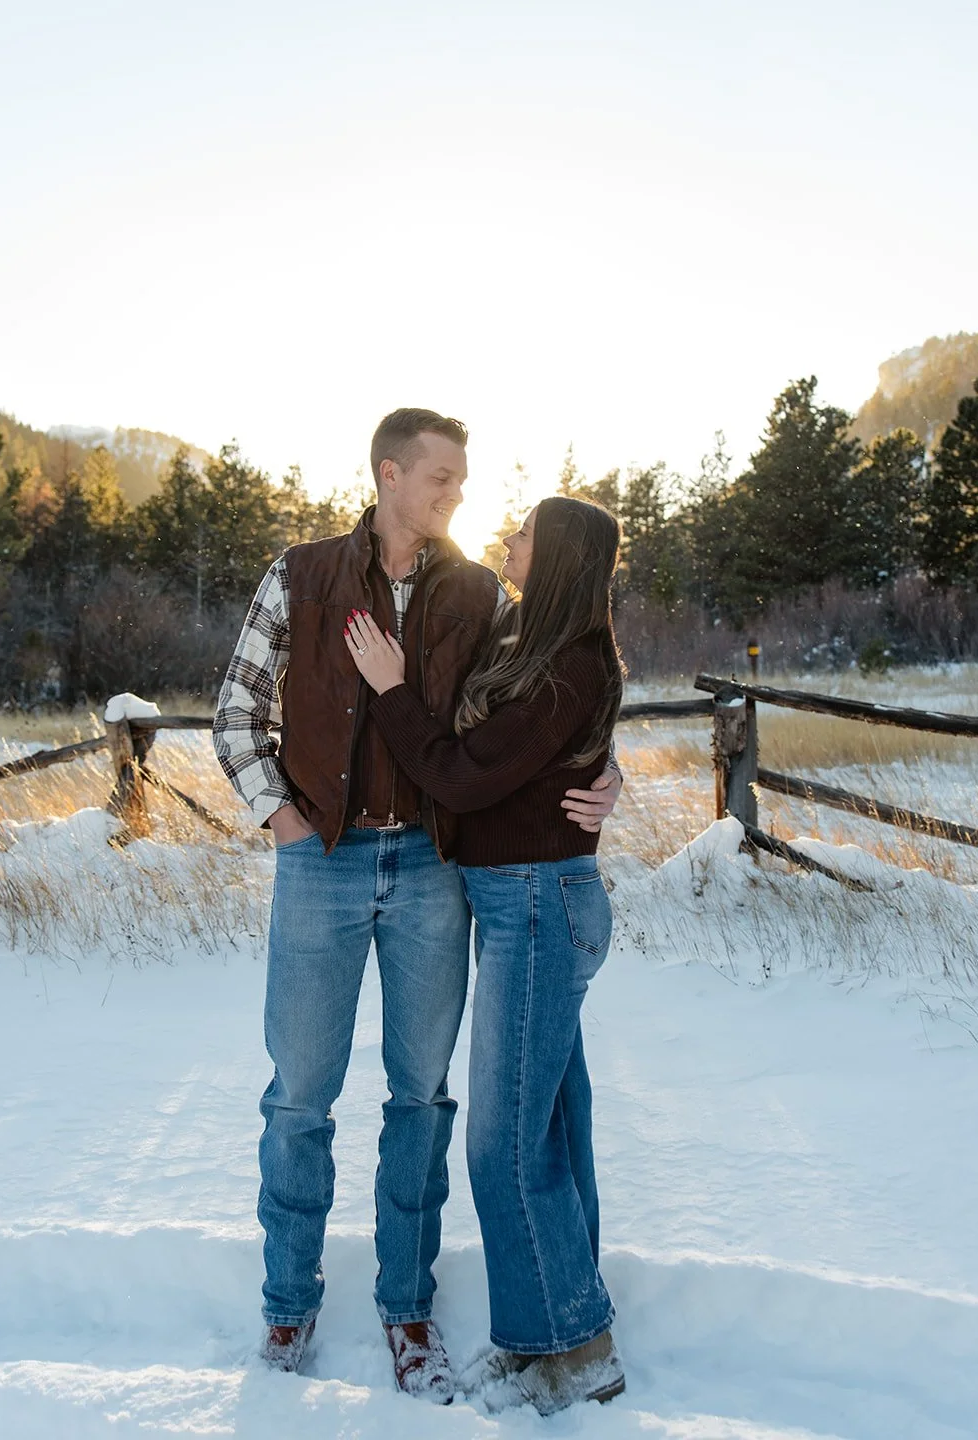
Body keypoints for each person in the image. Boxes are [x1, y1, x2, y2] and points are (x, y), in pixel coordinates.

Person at [212, 410, 623, 1401]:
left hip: (434, 871)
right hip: (321, 864)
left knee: (423, 1102)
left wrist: (606, 769)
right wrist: (282, 820)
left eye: (462, 482)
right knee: (298, 1099)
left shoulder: (478, 591)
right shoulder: (302, 572)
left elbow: (544, 699)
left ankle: (406, 1309)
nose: (454, 497)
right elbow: (234, 711)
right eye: (439, 478)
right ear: (389, 473)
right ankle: (286, 1303)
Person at [342, 494, 626, 1415]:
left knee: (502, 1140)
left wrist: (388, 690)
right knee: (545, 1126)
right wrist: (603, 770)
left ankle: (573, 1353)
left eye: (524, 535)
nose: (505, 539)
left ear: (560, 559)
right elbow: (526, 757)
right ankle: (551, 1327)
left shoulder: (568, 666)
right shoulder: (531, 647)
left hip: (539, 907)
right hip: (525, 902)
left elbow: (463, 773)